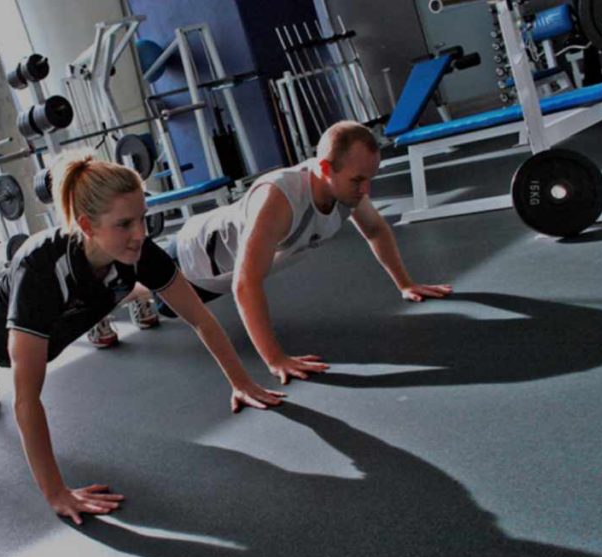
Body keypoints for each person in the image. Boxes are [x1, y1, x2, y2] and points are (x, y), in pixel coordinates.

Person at [0, 155, 285, 524]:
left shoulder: (135, 250)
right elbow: (26, 399)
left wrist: (242, 382)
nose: (139, 234)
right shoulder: (42, 269)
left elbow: (199, 317)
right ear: (87, 226)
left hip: (49, 334)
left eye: (141, 219)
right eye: (124, 224)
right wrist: (56, 492)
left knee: (24, 355)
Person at [154, 120, 453, 384]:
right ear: (325, 168)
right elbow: (245, 284)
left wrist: (405, 284)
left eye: (369, 179)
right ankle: (124, 286)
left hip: (227, 267)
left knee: (153, 296)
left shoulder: (346, 189)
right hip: (193, 258)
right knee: (151, 296)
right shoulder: (279, 197)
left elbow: (375, 230)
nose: (366, 190)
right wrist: (275, 359)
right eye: (358, 180)